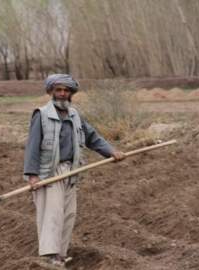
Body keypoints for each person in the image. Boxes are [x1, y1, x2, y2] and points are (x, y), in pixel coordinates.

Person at [23, 74, 125, 268]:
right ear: (51, 91)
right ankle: (49, 256)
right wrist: (32, 175)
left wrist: (111, 152)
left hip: (71, 171)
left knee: (68, 214)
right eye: (58, 90)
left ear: (71, 93)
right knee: (53, 213)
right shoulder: (41, 114)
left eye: (66, 90)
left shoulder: (75, 115)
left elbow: (92, 138)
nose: (62, 94)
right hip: (50, 173)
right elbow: (32, 146)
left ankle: (60, 255)